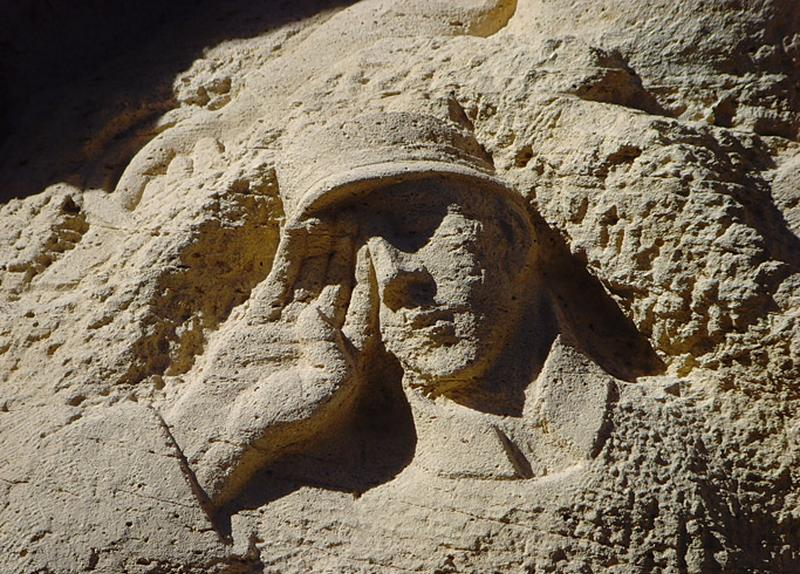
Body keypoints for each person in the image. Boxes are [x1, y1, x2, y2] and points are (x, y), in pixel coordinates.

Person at [165, 112, 614, 509]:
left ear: (512, 236)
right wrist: (236, 431)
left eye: (416, 228)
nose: (395, 277)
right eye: (357, 251)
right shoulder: (339, 525)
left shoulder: (672, 430)